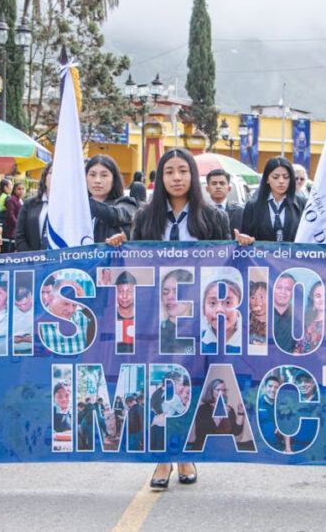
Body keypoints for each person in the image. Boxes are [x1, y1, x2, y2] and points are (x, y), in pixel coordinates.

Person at [126, 147, 253, 490]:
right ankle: (162, 460)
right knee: (160, 384)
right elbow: (135, 267)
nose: (177, 177)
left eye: (183, 171)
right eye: (169, 172)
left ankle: (185, 454)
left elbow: (227, 267)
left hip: (199, 321)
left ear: (192, 177)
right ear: (160, 178)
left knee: (191, 386)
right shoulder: (145, 218)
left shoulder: (212, 217)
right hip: (160, 318)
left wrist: (241, 244)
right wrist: (117, 246)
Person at [240, 156, 304, 242]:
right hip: (263, 254)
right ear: (267, 179)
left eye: (286, 177)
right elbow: (246, 235)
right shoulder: (253, 206)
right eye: (275, 177)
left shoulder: (302, 204)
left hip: (293, 254)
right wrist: (246, 240)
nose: (281, 181)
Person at [85, 155, 138, 244]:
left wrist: (81, 202)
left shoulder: (127, 204)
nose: (97, 180)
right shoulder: (75, 210)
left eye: (104, 175)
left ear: (114, 180)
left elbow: (114, 215)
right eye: (92, 175)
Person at [189, 379, 246, 451]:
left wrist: (241, 412)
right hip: (204, 449)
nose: (222, 393)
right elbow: (202, 432)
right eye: (219, 390)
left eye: (224, 390)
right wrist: (220, 415)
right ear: (211, 391)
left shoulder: (229, 409)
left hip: (224, 449)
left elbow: (236, 431)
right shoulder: (203, 409)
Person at [199, 279, 243, 354]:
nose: (219, 310)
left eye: (228, 302)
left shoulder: (252, 343)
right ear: (203, 309)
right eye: (212, 303)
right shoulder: (197, 341)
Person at [14, 165, 51, 252]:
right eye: (51, 172)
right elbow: (19, 235)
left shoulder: (70, 207)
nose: (55, 175)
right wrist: (31, 257)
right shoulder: (29, 204)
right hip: (34, 260)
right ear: (44, 177)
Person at [294, 281, 325, 354]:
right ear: (312, 300)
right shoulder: (305, 323)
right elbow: (297, 349)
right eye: (318, 296)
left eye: (325, 295)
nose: (322, 299)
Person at [257, 376, 282, 448]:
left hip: (278, 447)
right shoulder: (256, 404)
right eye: (270, 386)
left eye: (276, 387)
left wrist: (283, 430)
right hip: (261, 447)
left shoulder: (282, 407)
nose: (273, 390)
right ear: (264, 388)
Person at [273, 274, 296, 351]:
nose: (283, 292)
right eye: (279, 287)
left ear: (294, 292)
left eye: (288, 289)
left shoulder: (299, 319)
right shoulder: (261, 314)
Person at [115, 271, 136, 354]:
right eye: (120, 291)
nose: (124, 296)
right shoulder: (108, 317)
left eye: (129, 291)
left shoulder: (143, 317)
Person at [12, 285, 33, 355]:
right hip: (12, 352)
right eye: (18, 305)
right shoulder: (11, 310)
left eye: (25, 304)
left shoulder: (39, 311)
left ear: (30, 297)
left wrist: (22, 339)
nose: (22, 308)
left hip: (33, 352)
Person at [4, 182, 24, 251]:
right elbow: (11, 214)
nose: (21, 191)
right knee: (12, 247)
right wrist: (18, 224)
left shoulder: (20, 200)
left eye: (22, 189)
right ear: (14, 190)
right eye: (19, 189)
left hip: (18, 228)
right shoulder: (11, 200)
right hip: (12, 229)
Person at [248, 281, 268, 346]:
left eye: (261, 297)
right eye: (253, 298)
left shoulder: (274, 322)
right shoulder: (246, 319)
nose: (257, 302)